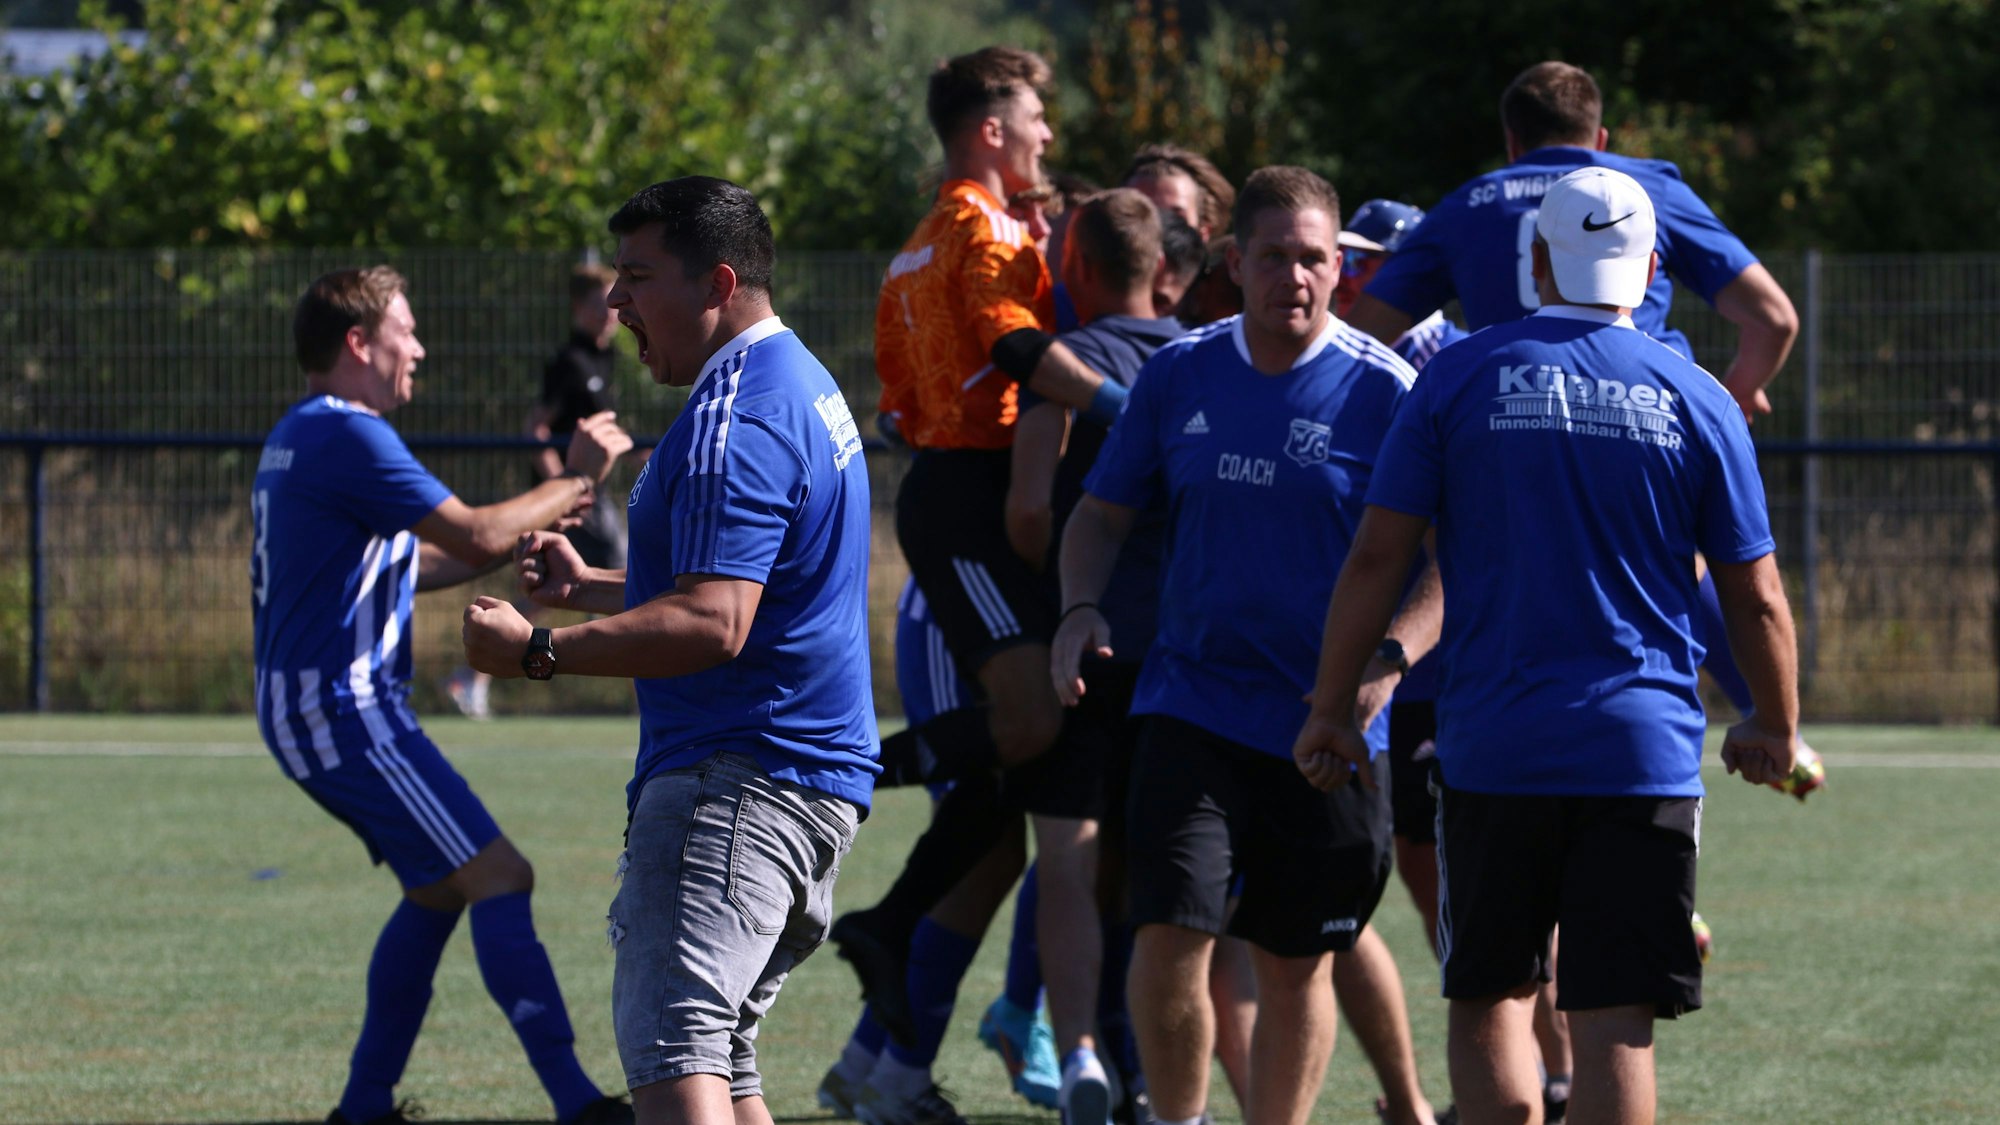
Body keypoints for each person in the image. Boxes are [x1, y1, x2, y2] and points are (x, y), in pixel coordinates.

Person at [1294, 167, 1801, 1125]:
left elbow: (1375, 558)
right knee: (1617, 1020)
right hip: (1641, 753)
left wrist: (1330, 706)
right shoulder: (1701, 398)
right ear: (1653, 265)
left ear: (1534, 261)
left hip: (1494, 747)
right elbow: (1759, 595)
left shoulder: (1458, 373)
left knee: (1491, 995)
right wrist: (1773, 722)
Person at [459, 176, 878, 1125]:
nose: (616, 302)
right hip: (804, 783)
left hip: (738, 784)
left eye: (638, 277)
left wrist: (538, 651)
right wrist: (596, 589)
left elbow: (713, 624)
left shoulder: (738, 413)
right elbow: (756, 597)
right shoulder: (800, 380)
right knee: (721, 1060)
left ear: (717, 283)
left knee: (674, 1046)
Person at [1053, 167, 1440, 1125]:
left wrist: (1385, 667)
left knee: (1295, 957)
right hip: (1192, 705)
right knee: (1168, 933)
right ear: (1236, 262)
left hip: (1329, 729)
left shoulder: (1389, 392)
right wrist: (1078, 608)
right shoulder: (1181, 372)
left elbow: (1451, 564)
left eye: (1315, 258)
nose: (1296, 277)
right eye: (1275, 257)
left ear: (1338, 266)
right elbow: (1099, 515)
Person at [250, 265, 635, 1125]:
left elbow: (418, 561)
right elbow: (471, 528)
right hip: (342, 712)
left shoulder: (304, 432)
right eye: (405, 331)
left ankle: (363, 1105)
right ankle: (580, 1105)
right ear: (359, 344)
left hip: (314, 712)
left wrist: (528, 532)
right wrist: (579, 478)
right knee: (502, 875)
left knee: (436, 890)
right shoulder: (348, 434)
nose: (418, 346)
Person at [863, 45, 1126, 1125]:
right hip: (965, 502)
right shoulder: (974, 226)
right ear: (987, 130)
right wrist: (1125, 412)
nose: (1045, 136)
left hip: (956, 486)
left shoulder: (917, 245)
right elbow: (1015, 350)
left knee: (1035, 747)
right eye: (1033, 118)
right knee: (1023, 721)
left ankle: (886, 942)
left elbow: (894, 395)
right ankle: (824, 769)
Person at [1346, 60, 1799, 427]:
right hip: (1646, 418)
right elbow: (1773, 319)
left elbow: (1361, 334)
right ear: (1599, 139)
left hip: (1508, 424)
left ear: (1512, 143)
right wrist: (1737, 394)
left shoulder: (1467, 205)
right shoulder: (1648, 191)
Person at [444, 262, 626, 720]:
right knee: (624, 572)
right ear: (577, 308)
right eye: (598, 303)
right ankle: (648, 680)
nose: (610, 313)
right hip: (575, 495)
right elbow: (537, 427)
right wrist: (558, 488)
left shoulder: (610, 358)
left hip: (587, 491)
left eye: (613, 301)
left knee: (551, 589)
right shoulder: (569, 361)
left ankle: (477, 672)